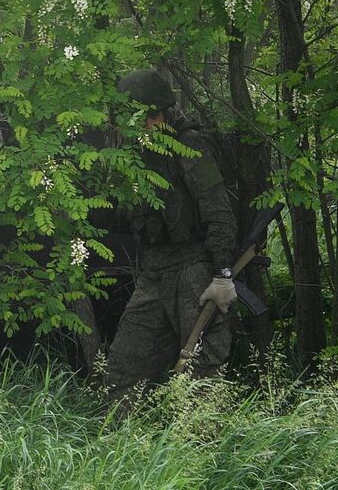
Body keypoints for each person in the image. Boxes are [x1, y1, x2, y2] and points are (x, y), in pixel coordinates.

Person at [102, 69, 239, 396]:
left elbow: (218, 212)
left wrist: (222, 275)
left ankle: (203, 442)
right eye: (141, 118)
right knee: (122, 369)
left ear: (165, 111)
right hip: (153, 271)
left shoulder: (190, 146)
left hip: (194, 267)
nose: (149, 125)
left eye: (154, 116)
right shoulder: (133, 157)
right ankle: (120, 444)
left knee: (201, 371)